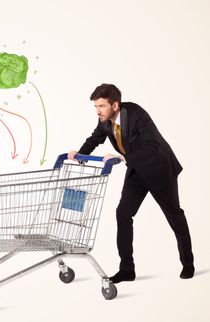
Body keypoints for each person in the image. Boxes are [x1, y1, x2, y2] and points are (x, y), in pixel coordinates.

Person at [68, 83, 194, 283]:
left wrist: (121, 158)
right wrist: (80, 154)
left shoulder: (136, 114)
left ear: (115, 105)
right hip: (136, 171)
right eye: (95, 107)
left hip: (159, 168)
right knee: (123, 214)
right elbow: (95, 139)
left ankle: (188, 263)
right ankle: (127, 270)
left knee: (174, 215)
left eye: (101, 106)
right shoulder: (105, 121)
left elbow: (153, 147)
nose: (98, 111)